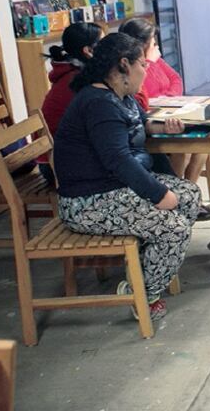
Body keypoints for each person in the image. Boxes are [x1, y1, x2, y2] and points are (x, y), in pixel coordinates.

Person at [53, 33, 201, 321]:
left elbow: (138, 124)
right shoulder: (99, 102)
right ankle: (142, 292)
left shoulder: (119, 95)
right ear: (124, 65)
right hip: (89, 202)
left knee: (190, 195)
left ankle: (142, 273)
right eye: (143, 65)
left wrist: (160, 129)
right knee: (175, 228)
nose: (146, 71)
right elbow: (117, 159)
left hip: (113, 187)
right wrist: (158, 194)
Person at [120, 18, 210, 218]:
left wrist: (168, 98)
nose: (158, 49)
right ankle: (177, 199)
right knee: (183, 151)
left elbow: (176, 79)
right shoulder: (132, 72)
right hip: (149, 126)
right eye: (153, 44)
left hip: (164, 114)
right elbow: (141, 100)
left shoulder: (154, 62)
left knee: (202, 146)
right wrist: (149, 65)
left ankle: (188, 198)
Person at [38, 21, 102, 184]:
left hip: (67, 156)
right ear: (88, 51)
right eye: (103, 43)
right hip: (58, 166)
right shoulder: (79, 80)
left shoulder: (78, 73)